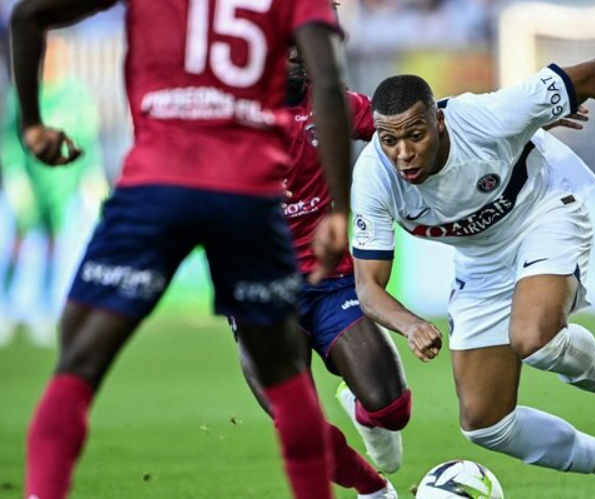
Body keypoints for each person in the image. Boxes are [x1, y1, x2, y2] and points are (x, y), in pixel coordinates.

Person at [11, 0, 354, 498]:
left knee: (78, 361)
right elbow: (328, 77)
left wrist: (32, 124)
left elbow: (26, 16)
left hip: (157, 185)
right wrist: (339, 210)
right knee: (285, 374)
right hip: (248, 191)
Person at [350, 59, 595, 498]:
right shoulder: (374, 177)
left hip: (543, 210)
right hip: (479, 259)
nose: (403, 153)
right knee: (485, 424)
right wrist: (411, 324)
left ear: (439, 120)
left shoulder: (486, 117)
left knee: (535, 339)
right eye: (389, 140)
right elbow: (368, 287)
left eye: (415, 135)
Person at [232, 49, 406, 498]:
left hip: (330, 283)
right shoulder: (231, 109)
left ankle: (363, 410)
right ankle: (374, 491)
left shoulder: (330, 103)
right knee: (297, 426)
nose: (296, 54)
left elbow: (403, 120)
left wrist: (514, 126)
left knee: (393, 409)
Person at [0, 37, 106, 347]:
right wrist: (16, 177)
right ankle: (7, 306)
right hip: (32, 184)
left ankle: (44, 312)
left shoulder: (76, 95)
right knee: (20, 247)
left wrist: (93, 181)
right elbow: (11, 141)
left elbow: (87, 141)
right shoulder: (24, 95)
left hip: (62, 187)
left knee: (56, 248)